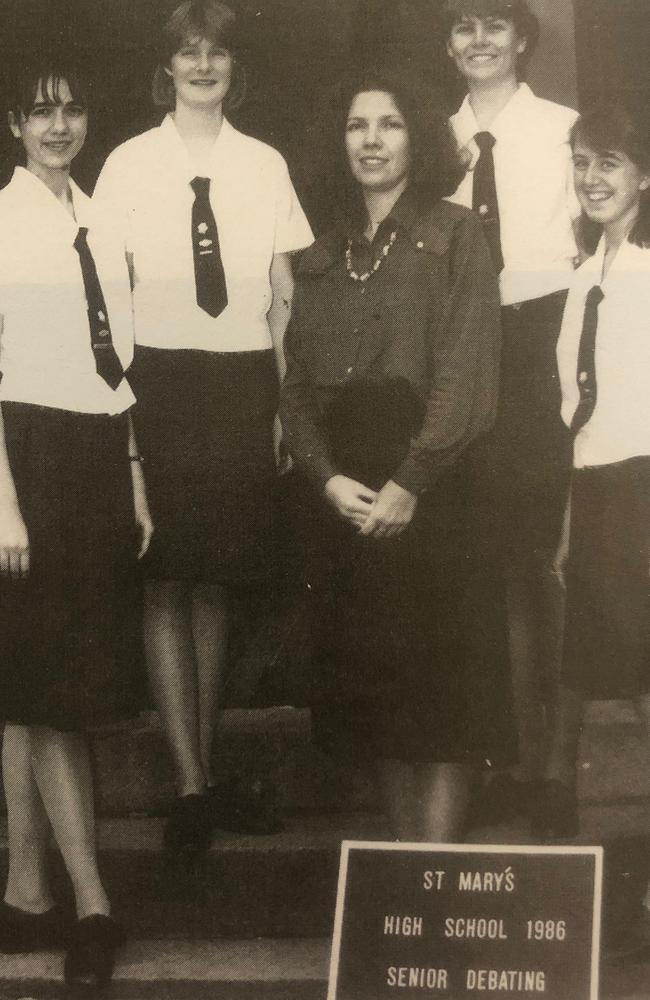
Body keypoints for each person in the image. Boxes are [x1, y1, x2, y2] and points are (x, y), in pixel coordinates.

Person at [94, 0, 313, 856]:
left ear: (234, 66)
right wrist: (124, 412)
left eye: (215, 51)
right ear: (167, 68)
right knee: (165, 578)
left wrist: (285, 401)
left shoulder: (264, 164)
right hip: (159, 378)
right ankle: (188, 783)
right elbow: (107, 297)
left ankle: (206, 772)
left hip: (240, 378)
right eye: (187, 52)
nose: (202, 65)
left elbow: (285, 290)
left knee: (218, 577)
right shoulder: (124, 165)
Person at [280, 66, 511, 842]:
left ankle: (433, 882)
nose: (371, 140)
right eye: (356, 125)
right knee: (378, 702)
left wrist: (411, 482)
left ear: (417, 138)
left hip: (435, 493)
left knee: (439, 702)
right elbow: (298, 394)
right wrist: (327, 479)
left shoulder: (455, 234)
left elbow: (467, 374)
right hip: (349, 498)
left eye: (389, 124)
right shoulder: (318, 257)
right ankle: (405, 882)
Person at [0, 60, 152, 986]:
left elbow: (117, 361)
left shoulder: (100, 216)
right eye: (41, 112)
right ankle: (92, 903)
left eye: (73, 107)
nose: (60, 125)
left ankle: (24, 894)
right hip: (28, 461)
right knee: (56, 698)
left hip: (98, 455)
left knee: (38, 687)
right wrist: (4, 504)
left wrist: (133, 476)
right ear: (15, 124)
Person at [443, 0, 579, 821]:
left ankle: (554, 769)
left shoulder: (565, 130)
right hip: (464, 346)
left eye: (496, 24)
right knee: (481, 562)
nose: (480, 40)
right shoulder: (432, 135)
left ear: (523, 38)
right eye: (463, 25)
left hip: (545, 341)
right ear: (448, 43)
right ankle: (503, 755)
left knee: (544, 560)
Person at [535, 103, 650, 848]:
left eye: (609, 162)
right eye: (580, 161)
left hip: (644, 487)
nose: (591, 177)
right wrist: (573, 522)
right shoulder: (588, 274)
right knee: (614, 666)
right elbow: (581, 413)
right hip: (600, 490)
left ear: (644, 174)